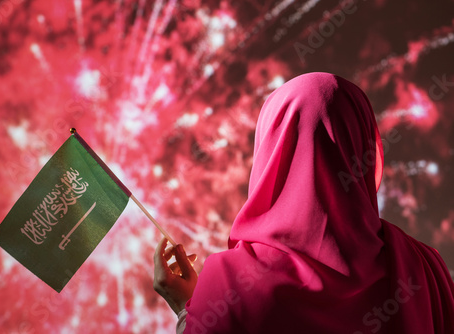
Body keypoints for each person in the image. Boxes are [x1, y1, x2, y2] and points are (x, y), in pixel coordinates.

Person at [153, 72, 454, 333]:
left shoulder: (228, 286)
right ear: (365, 147)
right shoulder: (425, 269)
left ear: (271, 151)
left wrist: (187, 310)